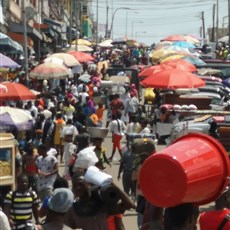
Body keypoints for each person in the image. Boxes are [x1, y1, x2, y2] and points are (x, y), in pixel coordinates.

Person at [64, 172, 136, 230]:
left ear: (89, 184)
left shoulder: (102, 203)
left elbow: (129, 205)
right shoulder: (74, 209)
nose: (78, 188)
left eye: (81, 184)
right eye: (75, 185)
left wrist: (111, 184)